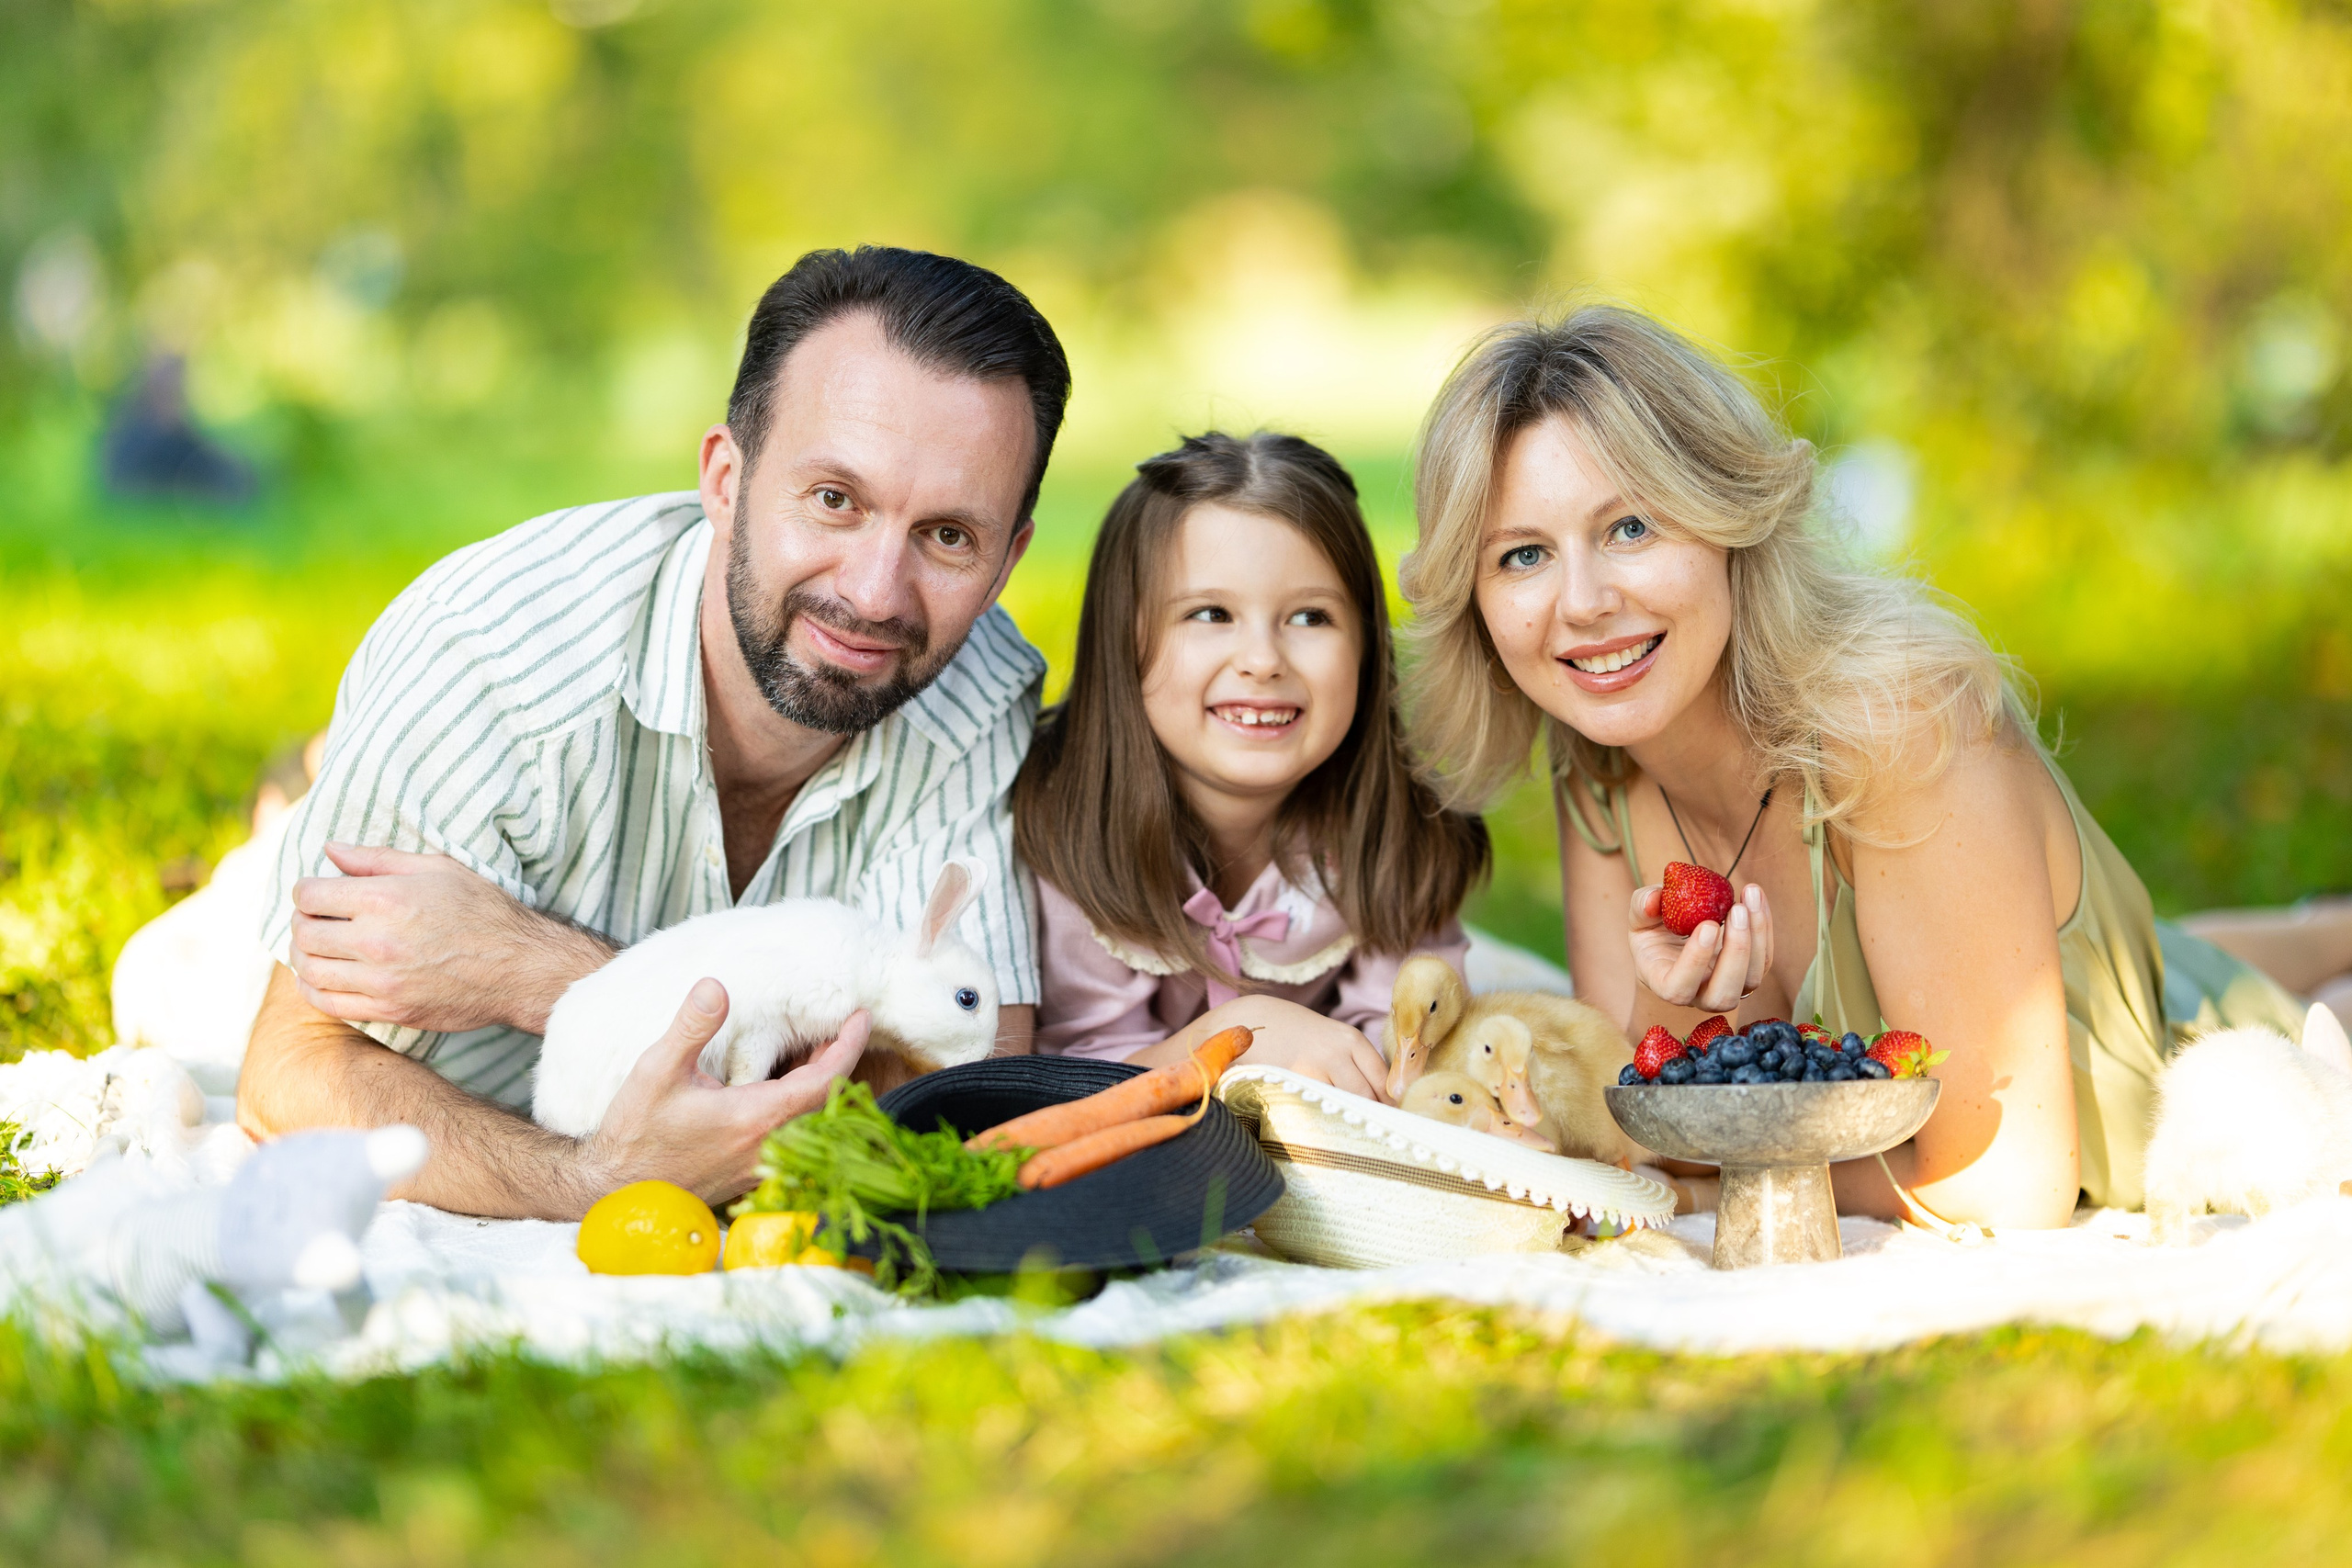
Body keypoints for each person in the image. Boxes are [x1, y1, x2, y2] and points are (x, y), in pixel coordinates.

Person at [1398, 304, 2316, 1228]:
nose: (1585, 603)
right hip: (2135, 961)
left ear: (1726, 515)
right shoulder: (1598, 760)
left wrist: (1711, 1182)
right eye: (1522, 556)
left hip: (2208, 1055)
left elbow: (2004, 1184)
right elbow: (1642, 1126)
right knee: (2199, 949)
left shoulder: (1899, 731)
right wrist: (1664, 1005)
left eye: (1630, 527)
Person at [239, 246, 1071, 1221]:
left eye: (947, 537)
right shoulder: (492, 660)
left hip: (533, 953)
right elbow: (290, 1073)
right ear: (725, 478)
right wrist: (589, 1183)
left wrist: (535, 969)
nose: (874, 594)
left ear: (1008, 558)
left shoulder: (978, 688)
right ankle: (286, 805)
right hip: (460, 772)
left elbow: (958, 1095)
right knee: (197, 960)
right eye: (835, 500)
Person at [1015, 432, 1489, 1102]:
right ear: (1126, 640)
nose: (1263, 659)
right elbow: (1089, 1088)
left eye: (1310, 616)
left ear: (1366, 646)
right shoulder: (1066, 830)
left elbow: (1408, 1057)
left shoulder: (1398, 832)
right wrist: (1247, 1030)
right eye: (1211, 613)